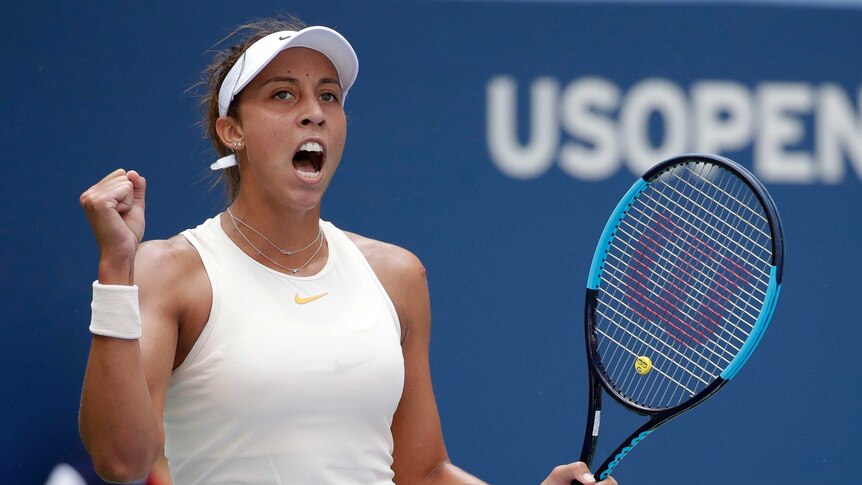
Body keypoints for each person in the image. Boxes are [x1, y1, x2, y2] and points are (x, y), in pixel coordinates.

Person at [78, 15, 618, 485]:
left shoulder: (395, 276)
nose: (313, 112)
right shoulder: (166, 272)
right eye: (283, 94)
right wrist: (114, 269)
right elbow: (122, 461)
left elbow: (422, 473)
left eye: (328, 96)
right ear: (231, 131)